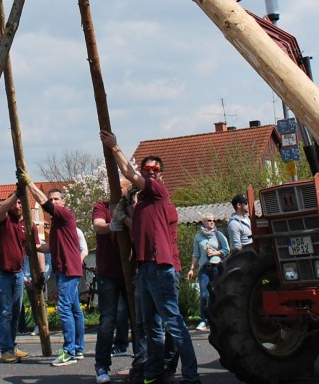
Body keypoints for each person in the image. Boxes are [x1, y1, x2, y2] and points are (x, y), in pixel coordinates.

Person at [100, 131, 200, 384]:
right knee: (150, 326)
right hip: (145, 268)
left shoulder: (158, 192)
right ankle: (153, 373)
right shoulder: (144, 203)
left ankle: (191, 376)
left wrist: (115, 148)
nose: (151, 172)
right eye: (147, 169)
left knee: (173, 323)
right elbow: (136, 225)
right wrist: (122, 215)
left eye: (155, 169)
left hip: (160, 265)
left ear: (161, 175)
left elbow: (129, 174)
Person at [21, 176, 84, 367]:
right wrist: (35, 246)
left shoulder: (65, 214)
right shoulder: (57, 224)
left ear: (62, 202)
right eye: (53, 199)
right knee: (74, 310)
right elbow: (52, 247)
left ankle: (69, 351)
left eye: (57, 199)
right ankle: (78, 349)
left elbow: (44, 203)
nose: (54, 202)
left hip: (68, 270)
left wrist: (29, 184)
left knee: (64, 309)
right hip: (64, 269)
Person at [91, 189, 133, 384]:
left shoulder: (133, 208)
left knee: (138, 318)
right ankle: (101, 366)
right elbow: (98, 226)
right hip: (108, 273)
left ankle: (142, 361)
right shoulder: (102, 206)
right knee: (108, 320)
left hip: (131, 272)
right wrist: (111, 226)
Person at [0, 187, 30, 363]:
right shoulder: (3, 219)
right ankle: (5, 349)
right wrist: (16, 194)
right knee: (5, 312)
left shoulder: (26, 225)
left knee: (15, 312)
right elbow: (1, 209)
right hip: (0, 271)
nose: (17, 205)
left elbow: (35, 248)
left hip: (17, 272)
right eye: (15, 202)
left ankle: (12, 345)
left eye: (20, 202)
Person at [186, 217, 229, 331]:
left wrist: (215, 252)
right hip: (204, 268)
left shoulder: (219, 235)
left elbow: (227, 250)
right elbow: (196, 254)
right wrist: (191, 269)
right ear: (204, 222)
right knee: (204, 295)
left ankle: (219, 318)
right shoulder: (198, 237)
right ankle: (204, 320)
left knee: (217, 294)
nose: (212, 222)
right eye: (209, 220)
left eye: (213, 220)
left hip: (216, 267)